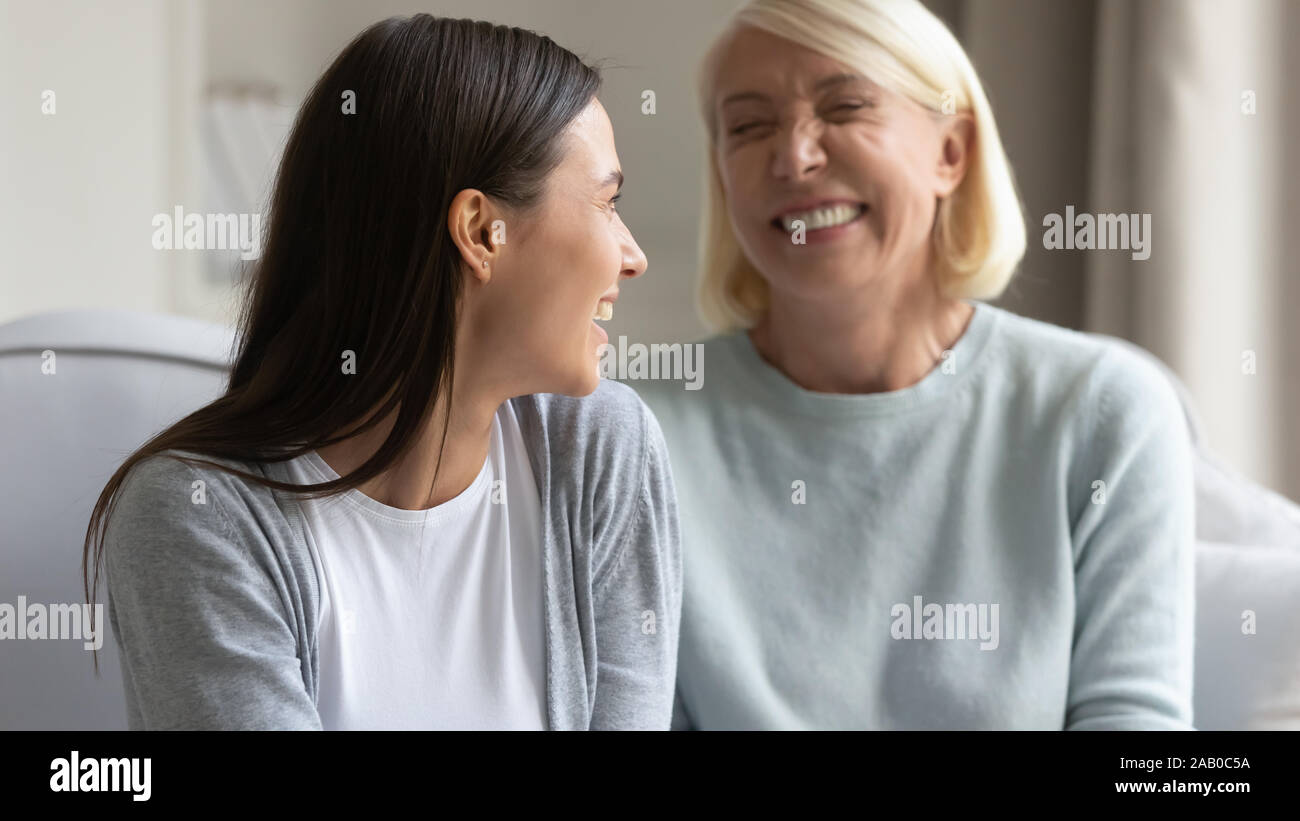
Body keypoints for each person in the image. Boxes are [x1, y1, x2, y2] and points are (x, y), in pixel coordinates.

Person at [83, 14, 681, 730]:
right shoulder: (200, 516)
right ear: (481, 232)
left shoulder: (601, 453)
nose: (632, 254)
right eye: (606, 204)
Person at [632, 0, 1194, 729]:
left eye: (845, 107)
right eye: (748, 125)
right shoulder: (639, 434)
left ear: (950, 154)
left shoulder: (1104, 411)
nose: (794, 156)